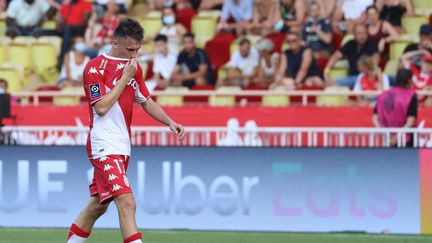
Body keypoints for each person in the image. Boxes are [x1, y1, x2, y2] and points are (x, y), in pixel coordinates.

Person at [66, 18, 185, 243]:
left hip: (122, 145)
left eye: (138, 49)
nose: (134, 54)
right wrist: (124, 79)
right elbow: (101, 107)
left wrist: (170, 121)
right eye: (130, 49)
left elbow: (146, 101)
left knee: (97, 207)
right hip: (103, 144)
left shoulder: (134, 67)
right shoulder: (95, 67)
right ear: (115, 43)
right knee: (128, 203)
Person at [324, 24, 380, 88]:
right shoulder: (350, 44)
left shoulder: (372, 44)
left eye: (364, 33)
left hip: (366, 77)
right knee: (331, 83)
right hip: (352, 77)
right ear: (354, 35)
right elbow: (335, 56)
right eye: (359, 34)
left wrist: (369, 74)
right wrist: (326, 72)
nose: (362, 36)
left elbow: (376, 59)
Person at [373, 69, 417, 147]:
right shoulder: (411, 95)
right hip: (405, 140)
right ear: (409, 81)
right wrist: (397, 137)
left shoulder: (382, 95)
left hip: (387, 140)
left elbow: (375, 118)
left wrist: (385, 135)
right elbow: (411, 121)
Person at [58, 0, 93, 69]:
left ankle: (62, 59)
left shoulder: (85, 4)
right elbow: (61, 22)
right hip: (66, 29)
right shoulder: (67, 5)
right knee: (41, 31)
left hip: (79, 29)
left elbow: (84, 22)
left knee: (68, 29)